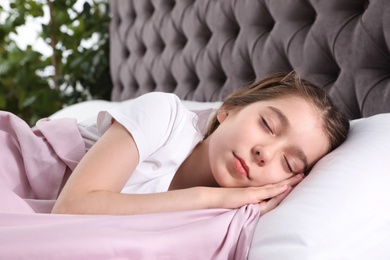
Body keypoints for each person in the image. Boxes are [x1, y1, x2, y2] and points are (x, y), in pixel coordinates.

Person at [51, 72, 350, 216]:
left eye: (288, 164)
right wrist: (210, 198)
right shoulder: (163, 115)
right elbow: (71, 208)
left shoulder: (235, 214)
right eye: (267, 124)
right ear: (229, 110)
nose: (265, 153)